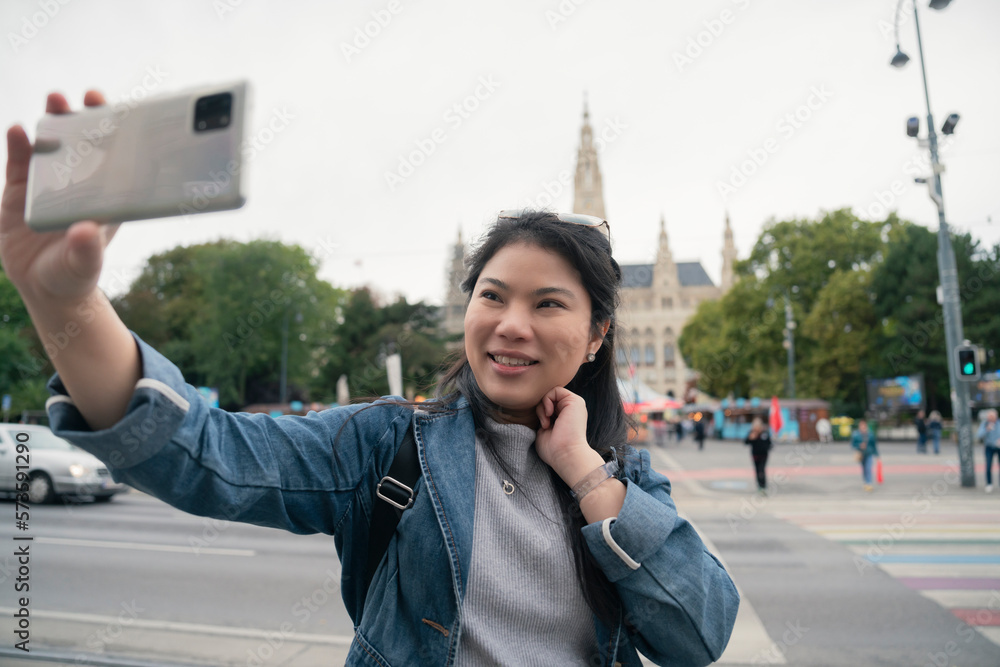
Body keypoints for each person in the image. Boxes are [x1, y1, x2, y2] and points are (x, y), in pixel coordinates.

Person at [1, 95, 739, 667]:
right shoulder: (390, 447)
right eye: (492, 294)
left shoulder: (625, 478)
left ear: (598, 334)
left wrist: (583, 471)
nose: (512, 323)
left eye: (548, 303)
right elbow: (205, 454)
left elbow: (697, 631)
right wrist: (63, 302)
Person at [744, 417, 772, 494]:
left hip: (763, 455)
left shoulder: (765, 433)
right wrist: (751, 438)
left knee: (761, 470)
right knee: (757, 471)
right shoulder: (752, 433)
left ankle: (763, 486)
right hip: (755, 456)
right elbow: (745, 442)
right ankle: (759, 486)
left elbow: (769, 444)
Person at [851, 420, 880, 492]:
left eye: (864, 426)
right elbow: (853, 444)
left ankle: (869, 483)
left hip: (869, 453)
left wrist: (877, 455)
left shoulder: (870, 434)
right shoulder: (856, 434)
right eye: (861, 426)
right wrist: (859, 446)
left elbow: (874, 445)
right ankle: (865, 482)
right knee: (864, 469)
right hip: (861, 454)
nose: (863, 427)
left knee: (868, 468)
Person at [978, 408, 1000, 493]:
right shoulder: (984, 424)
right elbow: (979, 435)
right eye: (989, 417)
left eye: (992, 417)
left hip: (999, 447)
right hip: (989, 447)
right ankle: (989, 483)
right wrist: (987, 429)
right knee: (988, 466)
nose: (991, 418)